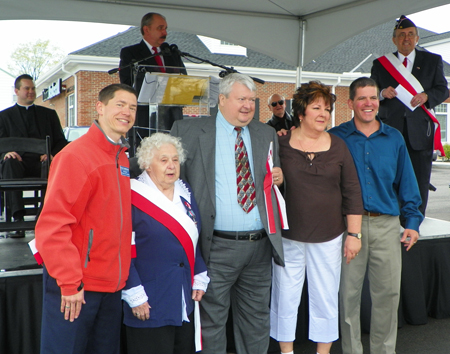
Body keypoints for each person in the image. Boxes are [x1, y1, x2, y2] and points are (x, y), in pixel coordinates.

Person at [171, 73, 284, 354]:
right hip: (214, 247)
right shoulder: (187, 132)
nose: (248, 105)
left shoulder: (265, 134)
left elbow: (273, 183)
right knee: (211, 324)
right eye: (241, 99)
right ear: (222, 100)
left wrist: (280, 178)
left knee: (257, 323)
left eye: (252, 100)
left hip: (259, 247)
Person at [35, 83, 137, 354]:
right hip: (77, 287)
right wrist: (70, 282)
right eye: (120, 104)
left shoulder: (121, 159)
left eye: (133, 107)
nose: (127, 111)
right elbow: (53, 226)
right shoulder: (75, 156)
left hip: (111, 287)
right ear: (100, 107)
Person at [329, 77, 423, 354]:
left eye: (373, 98)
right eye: (362, 98)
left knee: (387, 296)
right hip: (347, 229)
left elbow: (407, 183)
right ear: (350, 103)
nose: (368, 103)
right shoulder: (336, 137)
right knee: (347, 297)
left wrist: (413, 222)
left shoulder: (394, 137)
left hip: (386, 226)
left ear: (378, 102)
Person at [271, 81, 363, 354]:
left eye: (327, 108)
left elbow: (352, 191)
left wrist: (354, 235)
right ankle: (286, 351)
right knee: (285, 297)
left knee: (325, 298)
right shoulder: (280, 144)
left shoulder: (339, 146)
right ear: (301, 112)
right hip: (288, 237)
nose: (323, 113)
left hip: (329, 236)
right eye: (316, 107)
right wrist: (278, 178)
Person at [122, 132, 209, 354]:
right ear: (147, 165)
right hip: (148, 300)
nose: (171, 166)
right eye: (163, 160)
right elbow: (122, 250)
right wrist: (134, 292)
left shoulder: (185, 191)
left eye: (175, 160)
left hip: (183, 297)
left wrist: (198, 273)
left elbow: (193, 238)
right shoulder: (131, 196)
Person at [370, 15, 448, 217]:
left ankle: (415, 221)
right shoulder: (381, 64)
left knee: (419, 179)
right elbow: (370, 92)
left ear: (417, 38)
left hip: (421, 132)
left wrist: (426, 96)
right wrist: (380, 93)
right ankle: (391, 218)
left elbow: (443, 90)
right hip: (389, 131)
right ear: (394, 40)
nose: (406, 38)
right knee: (389, 177)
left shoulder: (432, 61)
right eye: (401, 35)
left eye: (410, 35)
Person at [0, 74, 67, 237]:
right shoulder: (4, 116)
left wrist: (51, 154)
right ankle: (18, 219)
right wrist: (5, 153)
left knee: (54, 167)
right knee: (9, 163)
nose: (31, 92)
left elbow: (61, 141)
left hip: (41, 163)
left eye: (33, 88)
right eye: (27, 88)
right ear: (17, 91)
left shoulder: (49, 115)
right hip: (17, 163)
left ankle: (44, 217)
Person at [119, 12, 186, 150]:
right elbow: (127, 83)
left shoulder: (172, 53)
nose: (165, 32)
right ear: (146, 29)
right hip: (145, 121)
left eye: (166, 28)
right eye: (160, 28)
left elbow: (183, 79)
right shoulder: (131, 53)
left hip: (172, 120)